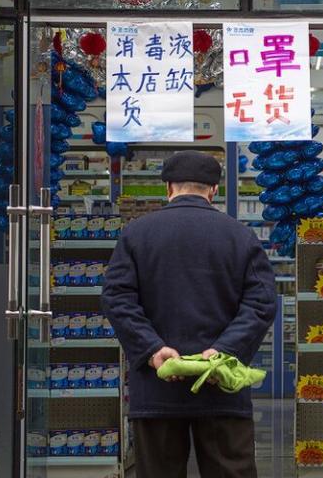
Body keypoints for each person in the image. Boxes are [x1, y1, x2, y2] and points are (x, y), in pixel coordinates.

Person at [102, 150, 277, 478]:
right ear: (213, 190)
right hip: (222, 387)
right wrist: (224, 352)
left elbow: (117, 298)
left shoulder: (137, 234)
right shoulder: (240, 236)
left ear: (168, 188)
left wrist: (153, 349)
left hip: (158, 388)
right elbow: (262, 302)